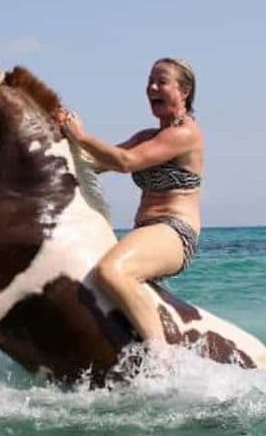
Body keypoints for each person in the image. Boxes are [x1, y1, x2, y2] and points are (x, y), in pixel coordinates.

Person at [58, 57, 203, 350]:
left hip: (175, 232)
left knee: (112, 271)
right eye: (150, 81)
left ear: (184, 91)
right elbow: (96, 163)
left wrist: (82, 135)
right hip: (144, 231)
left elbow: (126, 161)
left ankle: (161, 358)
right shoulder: (147, 136)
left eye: (162, 81)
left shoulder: (185, 134)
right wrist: (60, 134)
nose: (152, 87)